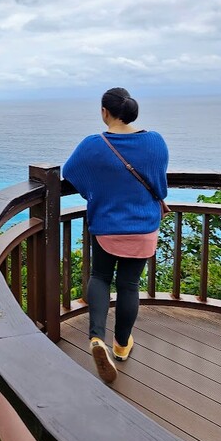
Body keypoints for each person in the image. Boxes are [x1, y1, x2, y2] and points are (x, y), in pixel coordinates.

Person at [62, 87, 169, 383]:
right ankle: (122, 345)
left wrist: (99, 192)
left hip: (108, 227)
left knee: (100, 278)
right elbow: (160, 187)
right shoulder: (156, 141)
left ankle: (97, 338)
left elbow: (70, 173)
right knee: (129, 285)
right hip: (143, 227)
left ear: (104, 112)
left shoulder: (93, 145)